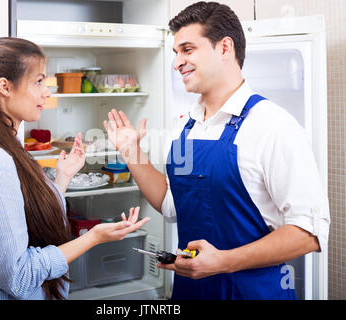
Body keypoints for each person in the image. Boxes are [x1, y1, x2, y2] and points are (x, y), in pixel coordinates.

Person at [104, 1, 330, 300]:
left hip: (252, 293)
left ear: (225, 48)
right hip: (191, 291)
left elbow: (308, 234)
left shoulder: (273, 126)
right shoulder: (186, 127)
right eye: (176, 53)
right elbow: (172, 204)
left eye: (187, 49)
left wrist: (223, 262)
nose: (176, 63)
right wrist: (131, 151)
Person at [0, 37, 150, 300]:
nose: (47, 92)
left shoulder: (4, 146)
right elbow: (18, 277)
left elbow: (22, 218)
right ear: (5, 87)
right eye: (39, 81)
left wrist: (64, 176)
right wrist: (92, 238)